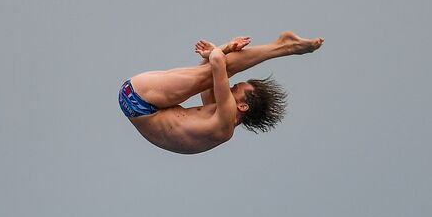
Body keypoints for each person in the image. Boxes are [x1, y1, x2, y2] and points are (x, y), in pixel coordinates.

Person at [118, 31, 324, 154]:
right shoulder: (219, 120)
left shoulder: (225, 120)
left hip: (140, 100)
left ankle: (285, 47)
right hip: (138, 102)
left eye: (234, 89)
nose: (230, 87)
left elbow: (217, 63)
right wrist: (219, 52)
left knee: (218, 69)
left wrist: (221, 50)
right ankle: (282, 46)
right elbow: (207, 72)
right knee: (209, 74)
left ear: (242, 106)